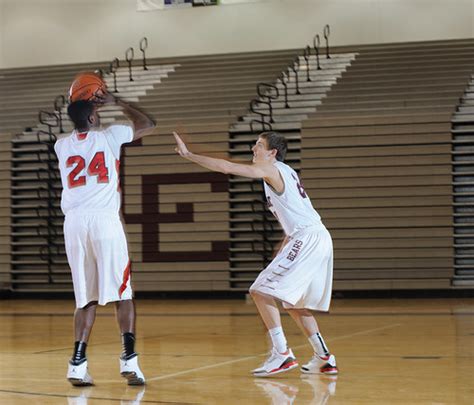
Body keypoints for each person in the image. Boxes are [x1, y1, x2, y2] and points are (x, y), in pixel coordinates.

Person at [173, 130, 338, 377]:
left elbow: (226, 167)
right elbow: (296, 214)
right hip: (316, 237)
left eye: (259, 145)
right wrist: (283, 247)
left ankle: (282, 354)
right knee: (294, 303)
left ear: (272, 153)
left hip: (308, 238)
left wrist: (189, 155)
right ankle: (324, 357)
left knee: (259, 291)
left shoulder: (271, 169)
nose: (253, 149)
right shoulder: (286, 171)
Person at [54, 92, 155, 386]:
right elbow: (148, 123)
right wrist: (118, 101)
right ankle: (130, 361)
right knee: (122, 292)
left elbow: (81, 124)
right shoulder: (109, 136)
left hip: (73, 223)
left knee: (86, 297)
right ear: (93, 117)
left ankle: (77, 364)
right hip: (103, 220)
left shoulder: (61, 145)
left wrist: (88, 105)